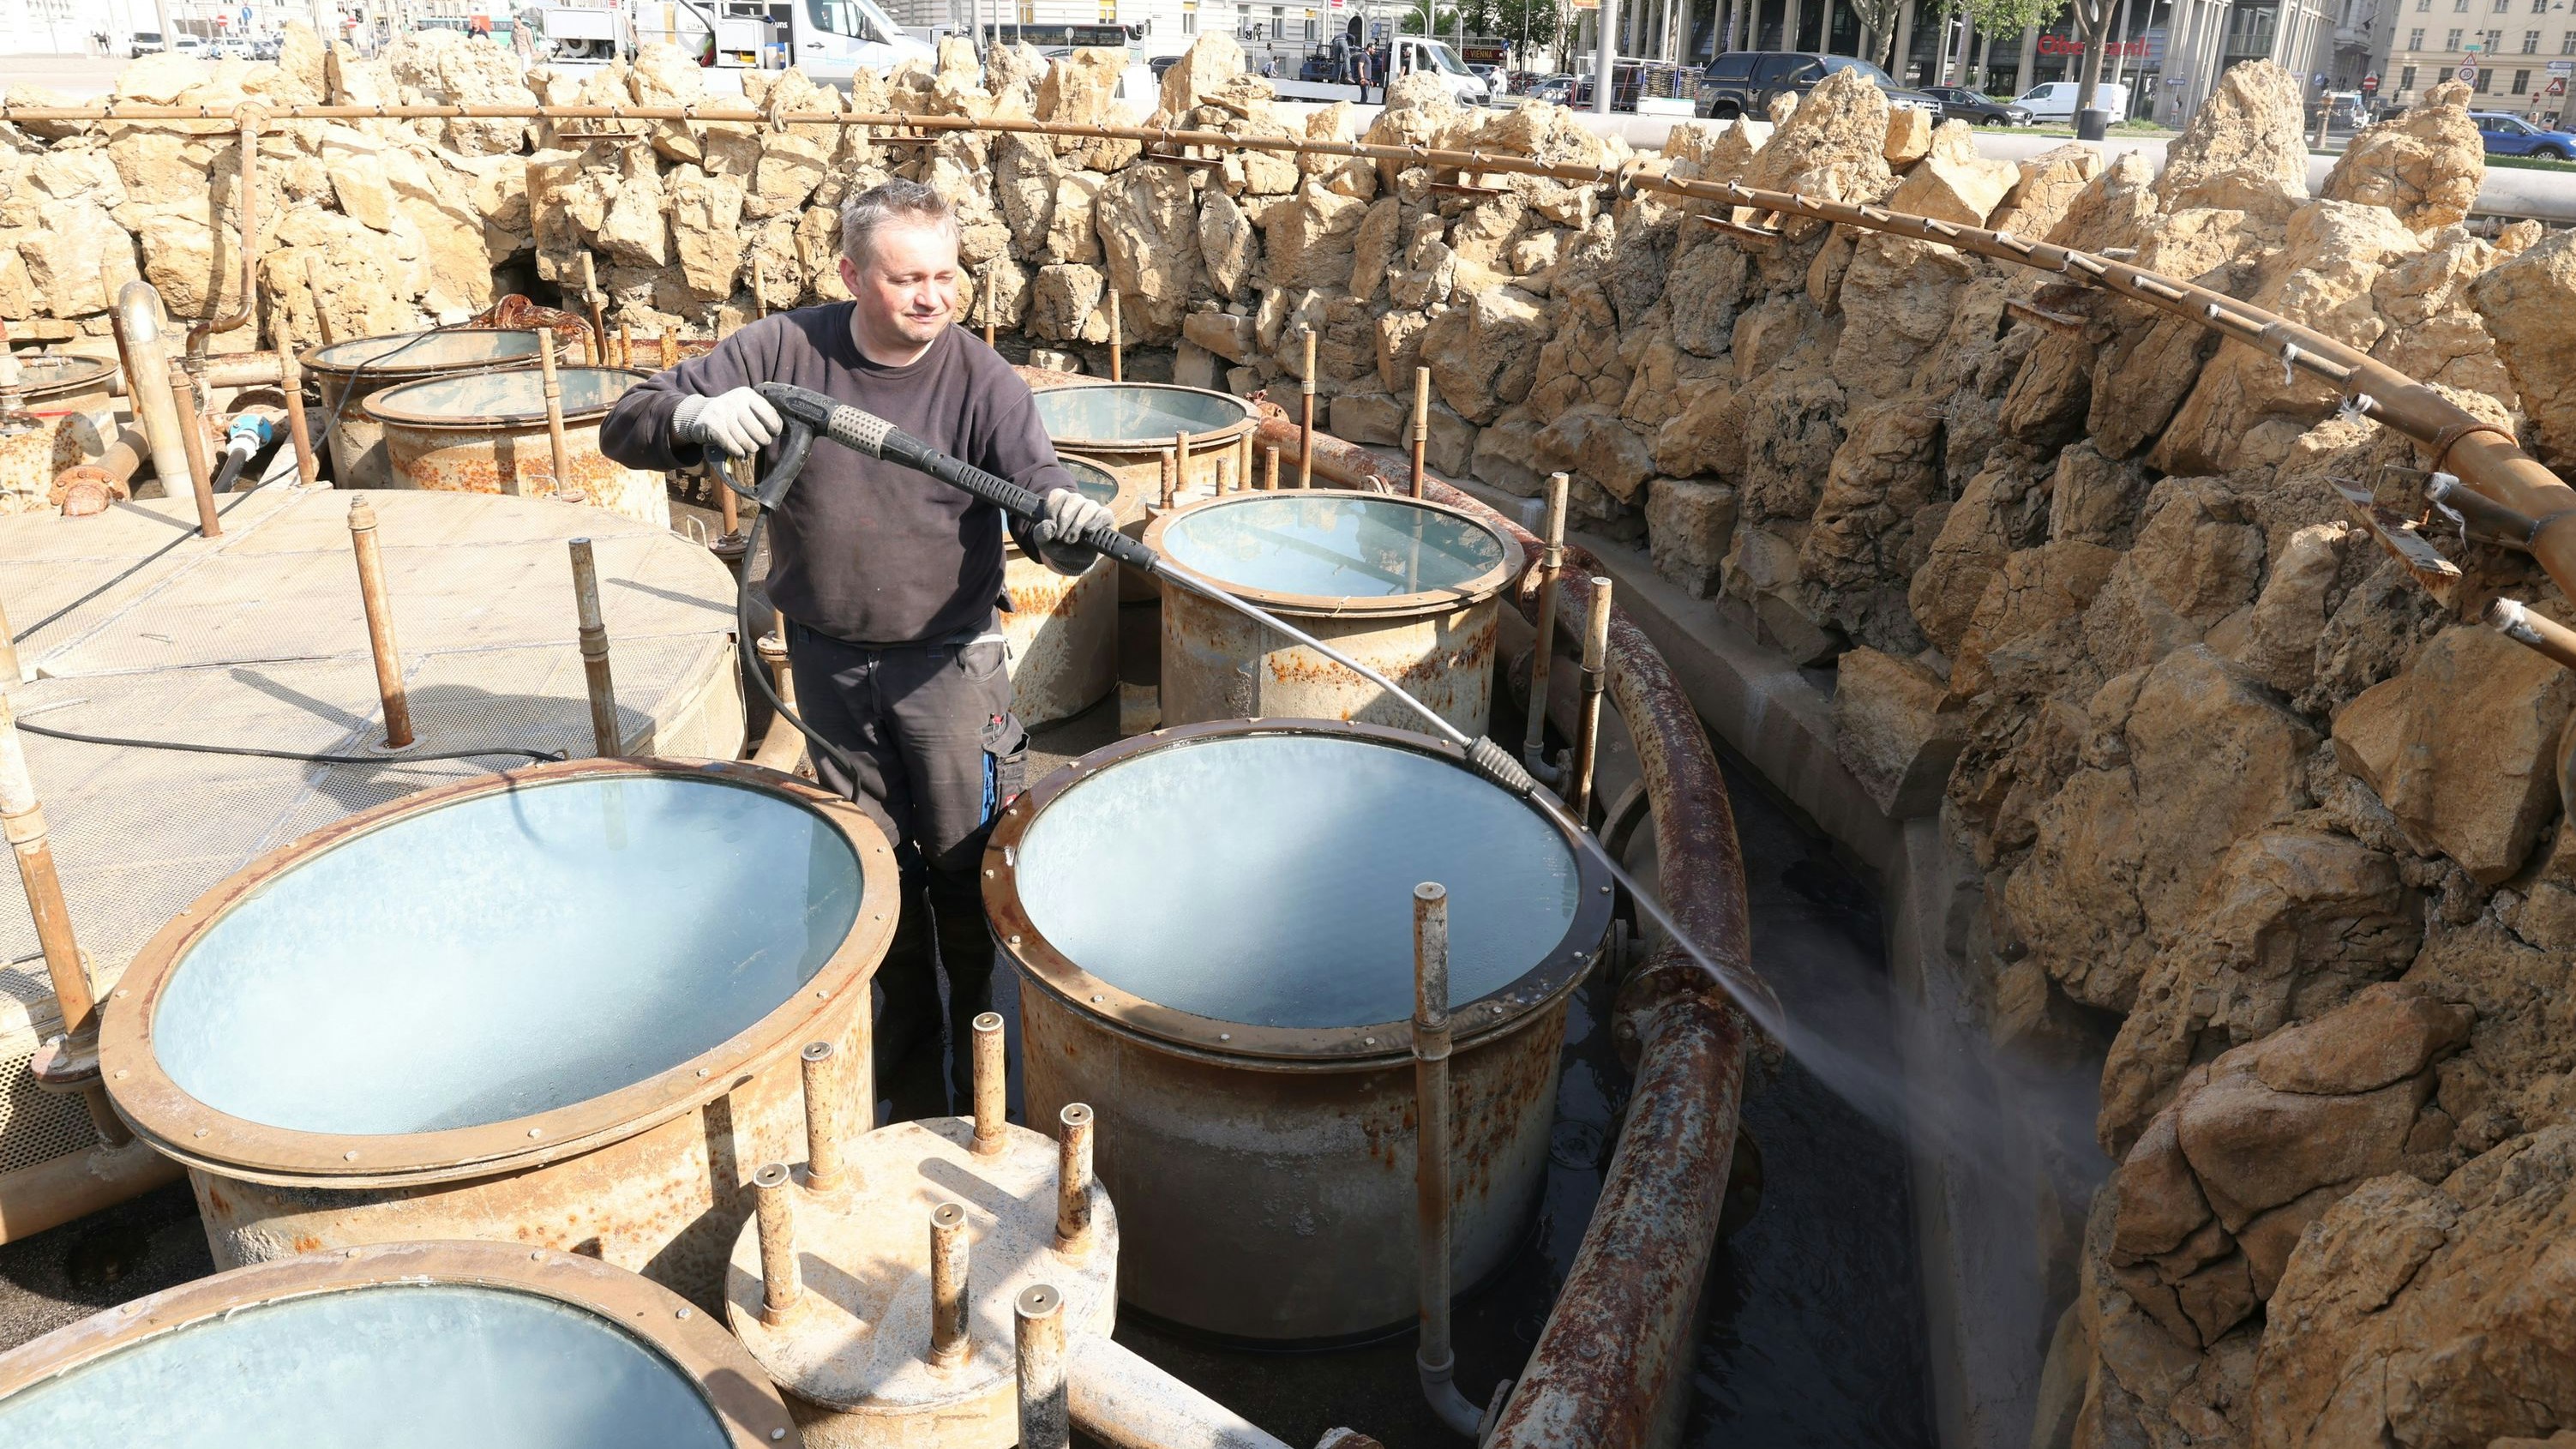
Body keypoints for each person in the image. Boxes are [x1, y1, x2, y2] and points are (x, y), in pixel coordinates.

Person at [601, 180, 1116, 1121]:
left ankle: (981, 1063)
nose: (932, 297)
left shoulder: (982, 383)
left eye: (945, 276)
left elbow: (1039, 498)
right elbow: (626, 421)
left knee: (967, 864)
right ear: (849, 274)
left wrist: (1068, 524)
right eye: (906, 278)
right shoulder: (781, 350)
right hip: (829, 666)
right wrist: (692, 420)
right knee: (870, 870)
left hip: (950, 668)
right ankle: (902, 1072)